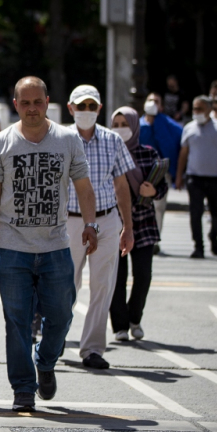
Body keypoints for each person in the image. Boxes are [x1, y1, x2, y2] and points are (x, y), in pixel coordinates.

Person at [0, 76, 99, 412]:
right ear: (15, 105)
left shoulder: (68, 139)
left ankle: (45, 362)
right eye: (24, 103)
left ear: (47, 102)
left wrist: (90, 224)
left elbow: (84, 188)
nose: (31, 109)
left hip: (56, 247)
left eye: (37, 102)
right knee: (16, 321)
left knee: (60, 316)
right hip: (13, 249)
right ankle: (24, 389)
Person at [64, 85, 135, 371]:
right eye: (81, 106)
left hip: (106, 219)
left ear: (99, 109)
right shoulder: (61, 138)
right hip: (70, 219)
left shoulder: (112, 140)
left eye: (91, 106)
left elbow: (121, 186)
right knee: (66, 285)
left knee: (103, 286)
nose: (86, 111)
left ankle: (92, 349)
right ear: (70, 108)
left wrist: (127, 227)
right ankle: (55, 341)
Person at [109, 107, 167, 342]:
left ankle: (135, 318)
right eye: (117, 123)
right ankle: (120, 325)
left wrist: (154, 191)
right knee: (117, 277)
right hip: (114, 223)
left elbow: (162, 186)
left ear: (134, 126)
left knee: (143, 275)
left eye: (125, 123)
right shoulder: (108, 152)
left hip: (143, 223)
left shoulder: (148, 153)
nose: (121, 128)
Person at [176, 96, 217, 258]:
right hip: (194, 178)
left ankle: (213, 236)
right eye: (195, 109)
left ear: (209, 110)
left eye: (200, 109)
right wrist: (179, 176)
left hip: (216, 178)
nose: (197, 112)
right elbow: (184, 153)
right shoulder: (189, 128)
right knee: (195, 213)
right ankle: (198, 246)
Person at [139, 92, 182, 253]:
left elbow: (178, 143)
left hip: (160, 173)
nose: (152, 103)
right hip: (139, 172)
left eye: (156, 101)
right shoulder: (137, 125)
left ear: (161, 106)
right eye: (149, 100)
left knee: (158, 207)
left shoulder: (169, 125)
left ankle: (154, 240)